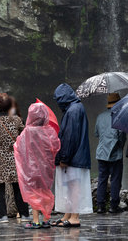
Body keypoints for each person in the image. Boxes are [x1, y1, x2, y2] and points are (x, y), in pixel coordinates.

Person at [14, 103, 61, 229]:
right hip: (46, 168)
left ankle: (36, 221)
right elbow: (56, 146)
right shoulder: (49, 131)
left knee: (34, 193)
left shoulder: (27, 132)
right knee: (45, 190)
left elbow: (19, 147)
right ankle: (46, 219)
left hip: (31, 168)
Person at [52, 83, 93, 227]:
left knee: (74, 186)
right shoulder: (75, 108)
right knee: (70, 186)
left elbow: (70, 137)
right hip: (76, 156)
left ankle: (74, 217)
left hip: (74, 158)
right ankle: (67, 215)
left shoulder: (73, 111)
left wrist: (64, 157)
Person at [0, 93, 30, 223]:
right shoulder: (16, 120)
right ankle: (24, 214)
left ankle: (3, 216)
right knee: (17, 187)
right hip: (13, 158)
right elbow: (23, 134)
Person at [95, 93, 127, 214]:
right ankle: (113, 206)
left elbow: (97, 133)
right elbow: (122, 137)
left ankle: (100, 206)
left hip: (102, 152)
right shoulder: (119, 117)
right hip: (115, 153)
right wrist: (120, 147)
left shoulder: (100, 117)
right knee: (115, 179)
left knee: (102, 179)